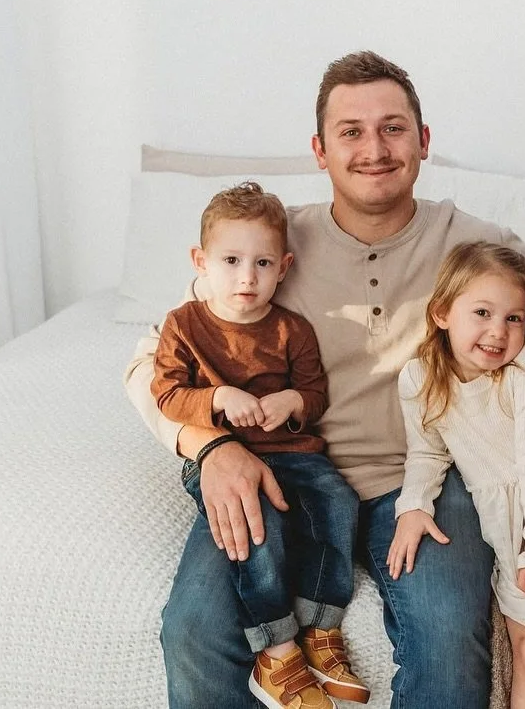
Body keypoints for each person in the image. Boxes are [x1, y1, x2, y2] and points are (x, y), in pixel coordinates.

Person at [124, 50, 525, 709]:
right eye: (351, 132)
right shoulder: (268, 248)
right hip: (279, 471)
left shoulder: (474, 245)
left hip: (422, 479)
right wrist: (210, 447)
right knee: (193, 631)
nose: (374, 149)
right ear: (320, 151)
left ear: (423, 140)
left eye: (392, 128)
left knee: (448, 641)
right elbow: (149, 363)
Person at [151, 181, 366, 708]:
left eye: (263, 263)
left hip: (295, 454)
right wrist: (218, 398)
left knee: (339, 502)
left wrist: (292, 401)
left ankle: (320, 627)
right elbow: (166, 394)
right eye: (231, 261)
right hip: (224, 457)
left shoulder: (293, 329)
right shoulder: (184, 325)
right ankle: (277, 650)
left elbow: (314, 393)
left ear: (284, 267)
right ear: (200, 262)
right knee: (257, 525)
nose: (247, 277)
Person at [387, 243, 525, 709]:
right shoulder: (419, 378)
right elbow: (427, 452)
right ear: (442, 313)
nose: (498, 332)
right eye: (482, 313)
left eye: (513, 318)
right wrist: (414, 505)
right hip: (505, 528)